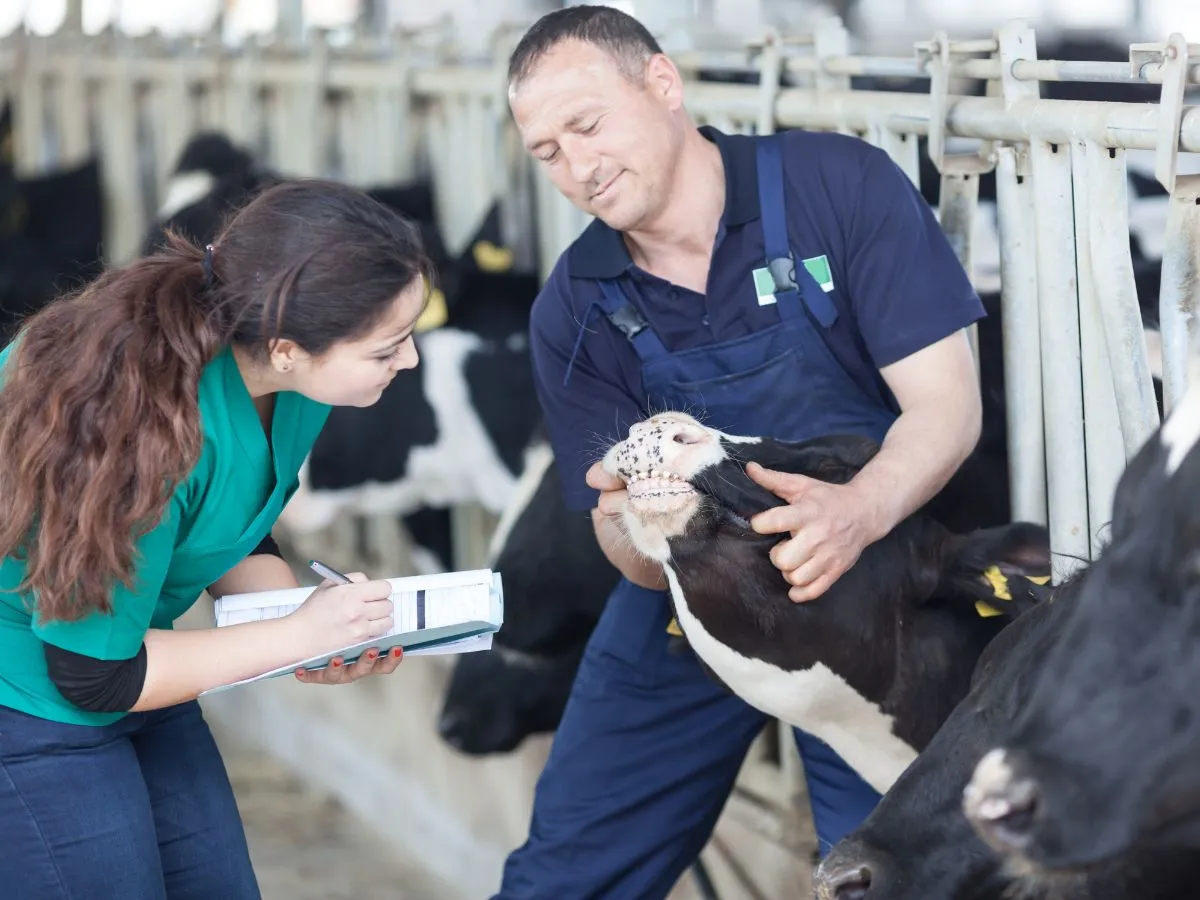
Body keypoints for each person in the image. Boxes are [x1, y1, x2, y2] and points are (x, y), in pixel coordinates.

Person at [497, 5, 985, 897]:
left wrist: (858, 511)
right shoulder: (574, 306)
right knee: (564, 875)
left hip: (869, 597)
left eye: (588, 124)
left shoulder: (836, 187)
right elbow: (614, 531)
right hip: (690, 614)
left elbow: (947, 410)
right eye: (547, 153)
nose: (579, 167)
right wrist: (642, 529)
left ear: (663, 84)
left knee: (889, 876)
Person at [0, 178, 436, 899]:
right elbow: (91, 674)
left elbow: (230, 524)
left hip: (125, 652)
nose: (411, 361)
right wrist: (293, 638)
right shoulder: (137, 428)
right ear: (289, 347)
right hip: (31, 690)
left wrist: (307, 626)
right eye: (388, 347)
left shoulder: (289, 384)